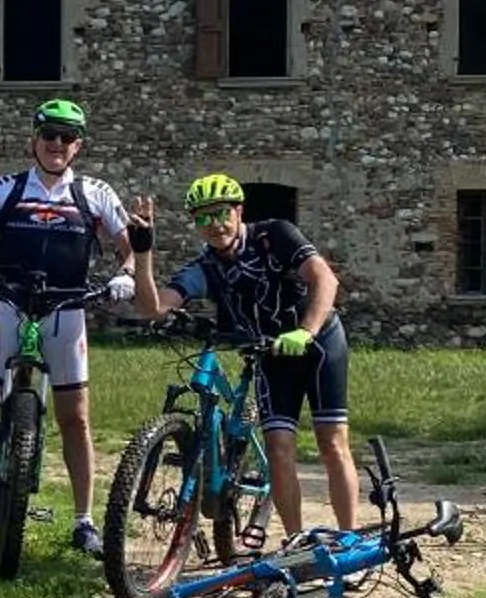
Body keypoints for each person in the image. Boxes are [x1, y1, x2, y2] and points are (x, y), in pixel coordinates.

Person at [0, 97, 135, 557]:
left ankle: (84, 521)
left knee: (76, 417)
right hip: (8, 302)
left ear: (78, 146)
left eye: (67, 138)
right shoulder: (6, 188)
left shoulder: (96, 194)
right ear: (35, 139)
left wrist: (126, 274)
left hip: (66, 308)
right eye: (49, 134)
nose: (57, 144)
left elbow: (130, 248)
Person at [129, 172, 360, 534]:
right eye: (204, 217)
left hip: (318, 342)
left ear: (239, 211)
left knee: (332, 442)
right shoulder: (206, 267)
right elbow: (154, 307)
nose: (215, 224)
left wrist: (305, 330)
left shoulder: (275, 235)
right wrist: (142, 251)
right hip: (270, 352)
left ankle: (348, 537)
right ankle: (294, 541)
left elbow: (324, 278)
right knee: (279, 446)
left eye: (221, 213)